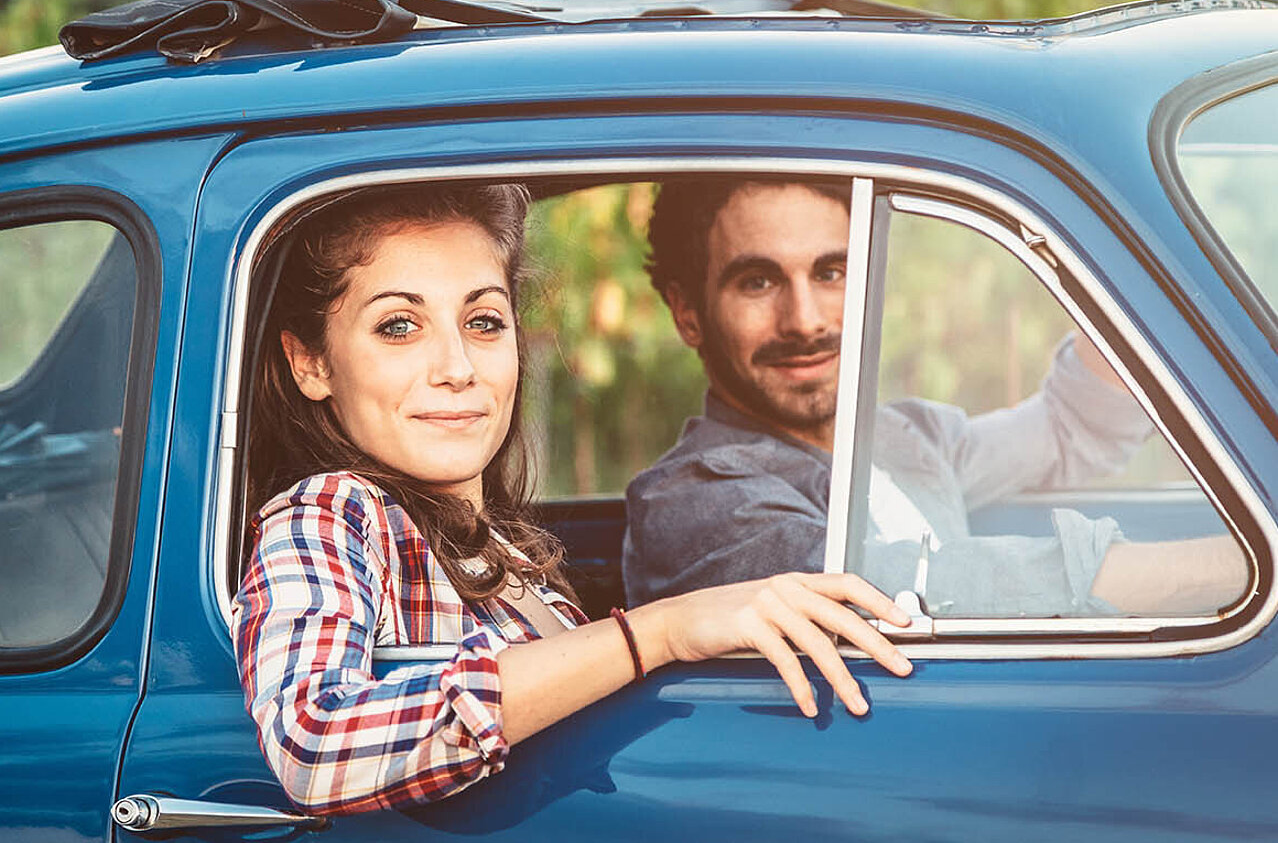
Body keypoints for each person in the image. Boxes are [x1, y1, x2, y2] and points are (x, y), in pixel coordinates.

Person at [232, 183, 914, 816]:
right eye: (399, 327)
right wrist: (659, 630)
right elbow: (313, 739)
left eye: (484, 321)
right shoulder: (329, 512)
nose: (458, 369)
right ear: (312, 362)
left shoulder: (505, 554)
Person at [624, 178, 1248, 616]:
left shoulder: (907, 438)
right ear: (688, 314)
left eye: (831, 272)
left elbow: (1069, 429)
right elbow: (903, 590)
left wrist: (1132, 258)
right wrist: (1243, 571)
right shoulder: (689, 502)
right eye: (757, 281)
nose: (805, 319)